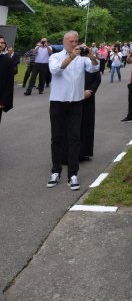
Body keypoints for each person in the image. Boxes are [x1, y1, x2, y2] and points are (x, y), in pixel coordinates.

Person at [46, 30, 100, 190]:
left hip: (76, 102)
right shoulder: (55, 56)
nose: (75, 44)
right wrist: (71, 57)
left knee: (75, 137)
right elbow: (55, 70)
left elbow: (94, 69)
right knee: (57, 137)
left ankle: (73, 174)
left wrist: (91, 55)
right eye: (71, 41)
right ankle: (55, 171)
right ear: (64, 42)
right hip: (58, 102)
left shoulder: (82, 57)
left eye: (76, 41)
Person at [79, 66, 102, 160]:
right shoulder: (72, 59)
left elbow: (97, 79)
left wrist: (91, 91)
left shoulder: (92, 62)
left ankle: (84, 153)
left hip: (88, 97)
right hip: (72, 97)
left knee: (87, 124)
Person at [0, 36, 16, 125]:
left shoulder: (8, 61)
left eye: (2, 43)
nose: (1, 44)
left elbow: (9, 83)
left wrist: (3, 101)